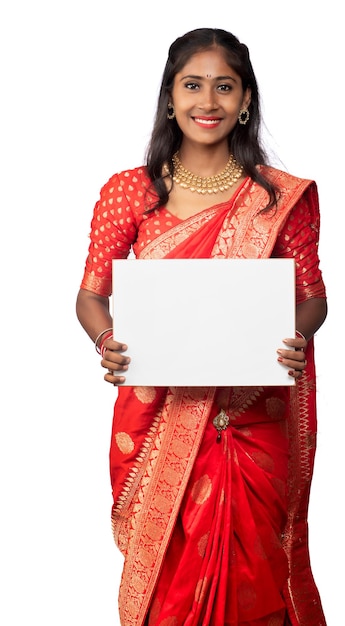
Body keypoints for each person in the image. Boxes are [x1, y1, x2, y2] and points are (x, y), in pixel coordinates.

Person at [76, 27, 328, 626]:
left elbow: (312, 299)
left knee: (255, 573)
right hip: (158, 416)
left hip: (251, 423)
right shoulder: (130, 192)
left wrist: (295, 339)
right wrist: (110, 342)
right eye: (192, 85)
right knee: (169, 579)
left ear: (245, 100)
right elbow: (91, 297)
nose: (207, 101)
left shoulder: (276, 199)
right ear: (170, 97)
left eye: (224, 86)